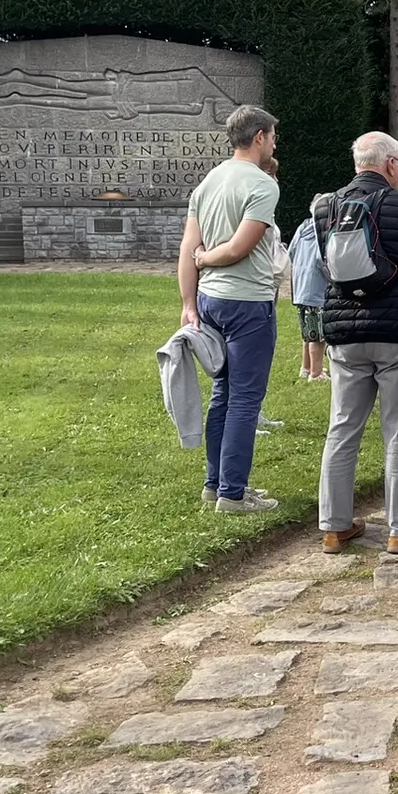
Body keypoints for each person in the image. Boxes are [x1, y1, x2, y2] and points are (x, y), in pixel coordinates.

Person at [312, 131, 398, 555]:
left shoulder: (324, 206)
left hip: (345, 333)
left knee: (342, 428)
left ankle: (334, 526)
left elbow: (327, 267)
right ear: (389, 164)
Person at [177, 105, 282, 514]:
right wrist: (205, 262)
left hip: (210, 301)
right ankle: (233, 493)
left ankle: (214, 484)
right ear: (259, 137)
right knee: (244, 401)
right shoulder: (261, 184)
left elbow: (188, 247)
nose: (274, 143)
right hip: (247, 302)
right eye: (272, 136)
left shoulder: (209, 181)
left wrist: (189, 302)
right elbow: (240, 247)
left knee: (222, 394)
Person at [290, 194, 330, 382]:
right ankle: (316, 373)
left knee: (307, 332)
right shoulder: (322, 229)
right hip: (316, 289)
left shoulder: (303, 226)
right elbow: (321, 260)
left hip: (300, 288)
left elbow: (291, 251)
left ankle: (305, 367)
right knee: (318, 336)